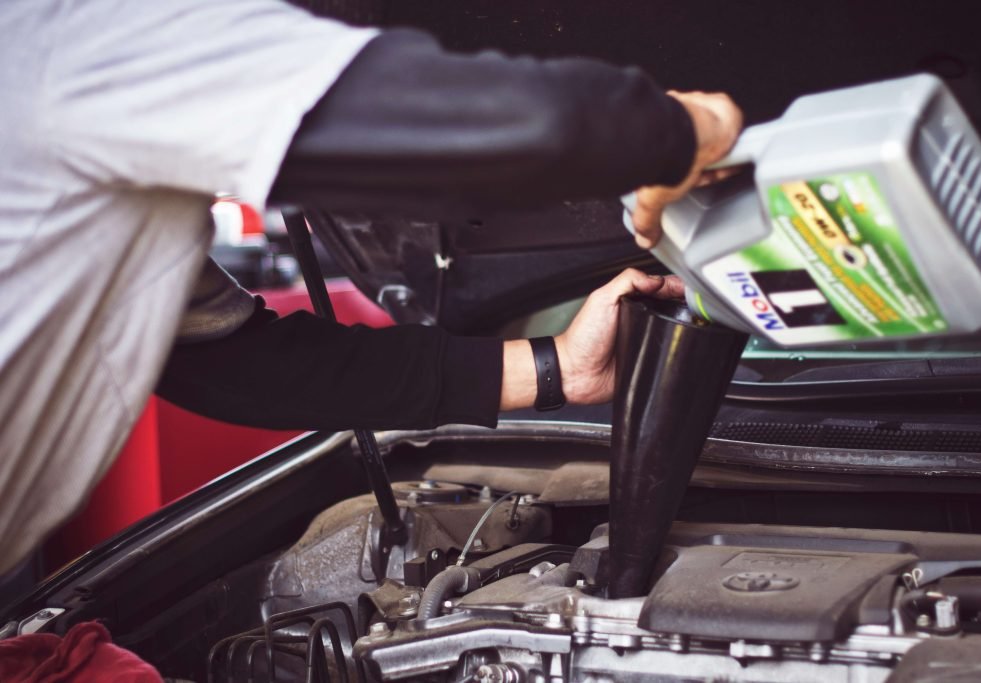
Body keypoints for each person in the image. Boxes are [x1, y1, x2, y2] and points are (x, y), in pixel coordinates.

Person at [0, 0, 741, 575]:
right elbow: (502, 120)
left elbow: (227, 365)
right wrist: (686, 128)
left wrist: (555, 368)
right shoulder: (80, 37)